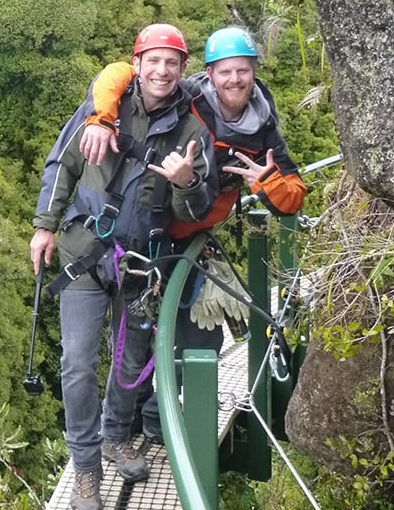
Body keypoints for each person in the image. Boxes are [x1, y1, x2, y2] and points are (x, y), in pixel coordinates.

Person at [79, 26, 307, 443]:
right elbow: (116, 72)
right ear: (209, 74)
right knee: (139, 335)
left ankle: (154, 419)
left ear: (254, 72)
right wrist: (101, 118)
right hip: (151, 230)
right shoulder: (188, 96)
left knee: (190, 338)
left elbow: (294, 197)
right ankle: (125, 427)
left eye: (242, 71)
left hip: (193, 235)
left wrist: (266, 180)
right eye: (225, 72)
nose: (234, 80)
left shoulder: (264, 129)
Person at [30, 23, 217, 510]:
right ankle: (86, 465)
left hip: (143, 261)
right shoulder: (102, 111)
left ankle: (116, 436)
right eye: (153, 61)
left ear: (182, 71)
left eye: (171, 63)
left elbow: (198, 209)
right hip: (86, 252)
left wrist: (187, 181)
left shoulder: (193, 130)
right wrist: (44, 227)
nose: (161, 70)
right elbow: (61, 164)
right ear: (136, 64)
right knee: (76, 362)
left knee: (132, 360)